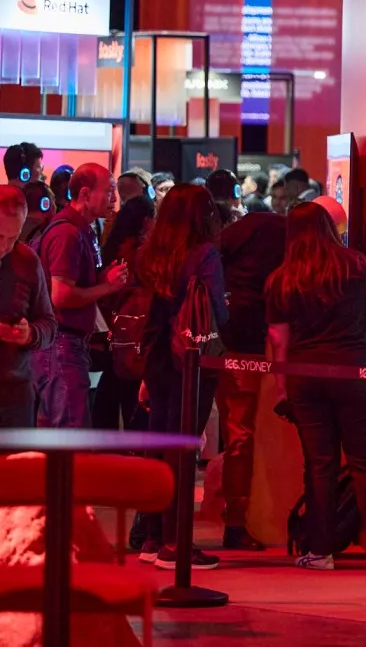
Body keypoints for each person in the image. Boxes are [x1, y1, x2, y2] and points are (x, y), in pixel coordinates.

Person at [267, 202, 366, 571]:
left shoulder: (282, 279)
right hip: (354, 370)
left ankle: (320, 550)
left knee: (319, 463)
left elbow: (279, 338)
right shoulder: (356, 266)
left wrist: (282, 388)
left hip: (305, 375)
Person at [138, 183, 227, 569]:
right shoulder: (204, 254)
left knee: (159, 444)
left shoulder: (150, 254)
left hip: (156, 356)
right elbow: (217, 312)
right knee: (183, 447)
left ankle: (153, 537)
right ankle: (176, 544)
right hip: (190, 357)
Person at [215, 183, 288, 552]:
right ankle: (237, 521)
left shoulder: (227, 262)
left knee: (235, 436)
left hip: (223, 348)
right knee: (243, 437)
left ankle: (234, 518)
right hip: (251, 350)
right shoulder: (277, 252)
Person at [33, 163, 126, 427]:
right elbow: (60, 296)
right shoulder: (67, 232)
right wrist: (107, 286)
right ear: (85, 194)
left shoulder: (84, 228)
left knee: (60, 430)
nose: (114, 198)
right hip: (62, 345)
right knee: (69, 431)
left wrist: (102, 279)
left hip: (67, 345)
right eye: (109, 191)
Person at [93, 195, 156, 431]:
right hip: (134, 332)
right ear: (146, 220)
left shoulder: (112, 247)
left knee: (112, 385)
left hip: (112, 328)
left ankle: (105, 440)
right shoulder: (142, 254)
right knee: (131, 391)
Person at [0, 186, 57, 427]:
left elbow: (49, 325)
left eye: (13, 238)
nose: (5, 247)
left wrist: (29, 334)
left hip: (15, 397)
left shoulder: (27, 260)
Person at [21, 181, 56, 245]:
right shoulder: (46, 232)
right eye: (53, 199)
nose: (55, 205)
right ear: (45, 204)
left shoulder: (15, 227)